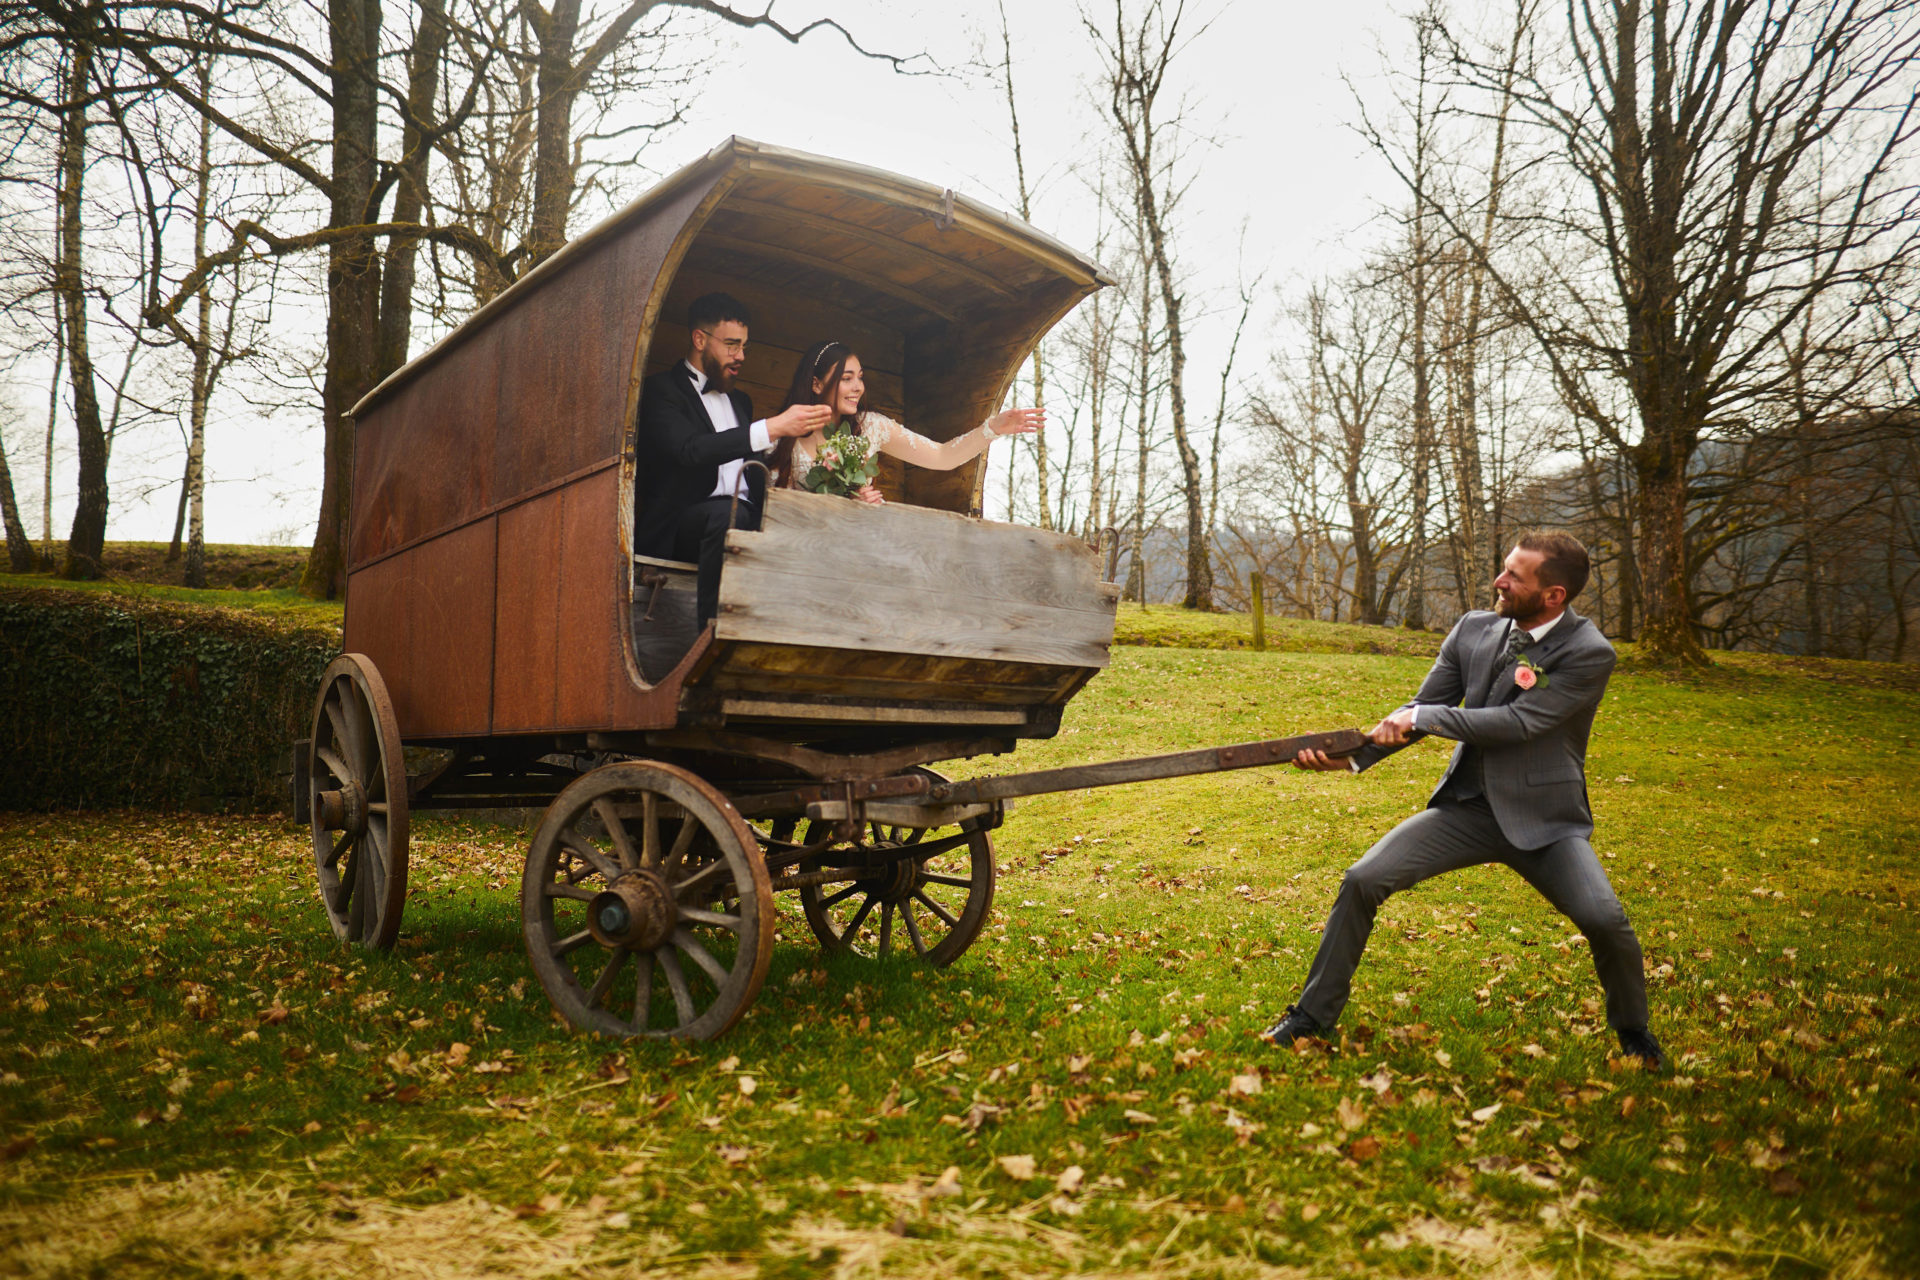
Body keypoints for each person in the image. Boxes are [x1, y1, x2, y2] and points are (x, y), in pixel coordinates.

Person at [1263, 530, 1665, 1070]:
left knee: (1606, 921)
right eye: (1504, 568)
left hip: (1546, 822)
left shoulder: (1590, 653)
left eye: (1514, 577)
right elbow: (1424, 706)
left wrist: (1423, 717)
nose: (1499, 582)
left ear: (1554, 596)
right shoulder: (1474, 629)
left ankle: (1634, 1033)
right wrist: (1353, 757)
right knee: (1363, 879)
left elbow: (1519, 722)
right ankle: (1311, 1017)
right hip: (1467, 810)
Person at [634, 293, 831, 626]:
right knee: (729, 515)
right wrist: (773, 427)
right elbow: (690, 450)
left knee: (794, 527)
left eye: (744, 347)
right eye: (731, 345)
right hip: (680, 527)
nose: (740, 356)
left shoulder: (741, 401)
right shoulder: (660, 390)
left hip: (738, 516)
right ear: (699, 339)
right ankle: (713, 633)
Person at [769, 340, 1043, 500]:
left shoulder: (871, 427)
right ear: (816, 385)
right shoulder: (783, 436)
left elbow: (942, 457)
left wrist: (992, 428)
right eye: (846, 379)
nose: (858, 387)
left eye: (860, 377)